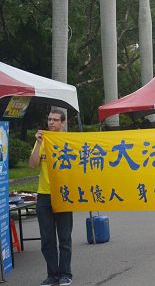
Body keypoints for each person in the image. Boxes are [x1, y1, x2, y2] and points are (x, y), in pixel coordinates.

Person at [29, 109, 73, 286]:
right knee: (47, 239)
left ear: (62, 123)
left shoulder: (69, 142)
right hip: (44, 195)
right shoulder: (42, 141)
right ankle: (52, 274)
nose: (51, 123)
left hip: (63, 195)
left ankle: (65, 273)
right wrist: (38, 144)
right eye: (49, 119)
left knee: (64, 237)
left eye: (55, 120)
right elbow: (32, 165)